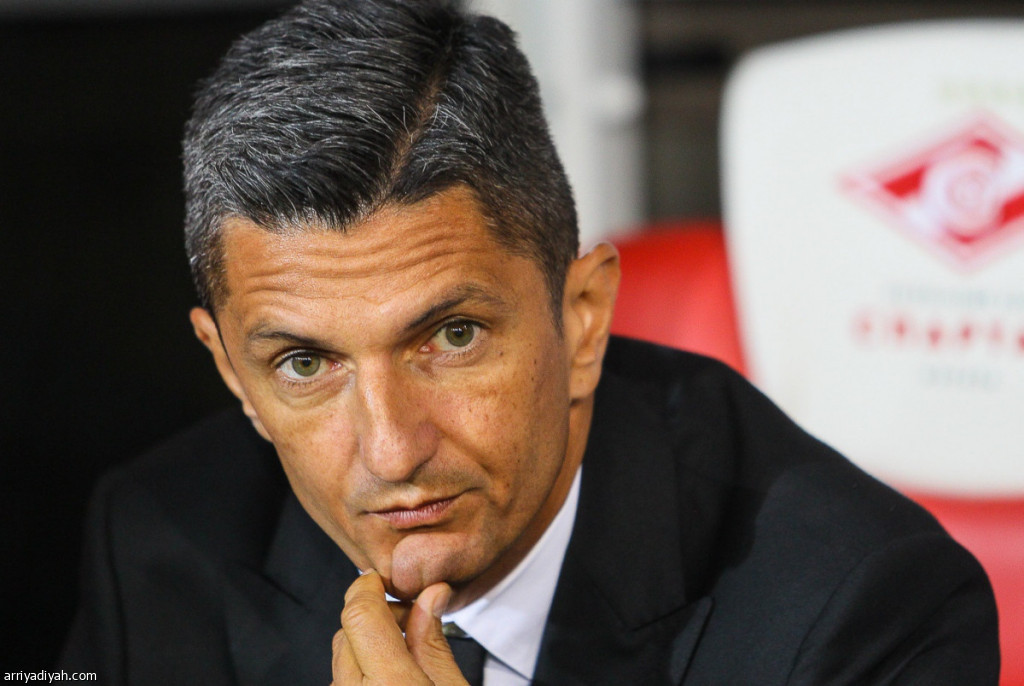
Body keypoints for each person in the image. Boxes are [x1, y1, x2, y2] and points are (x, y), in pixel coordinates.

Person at [59, 0, 1000, 684]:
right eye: (305, 364)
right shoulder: (161, 540)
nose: (391, 450)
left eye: (452, 336)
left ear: (582, 318)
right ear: (233, 373)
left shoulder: (865, 610)